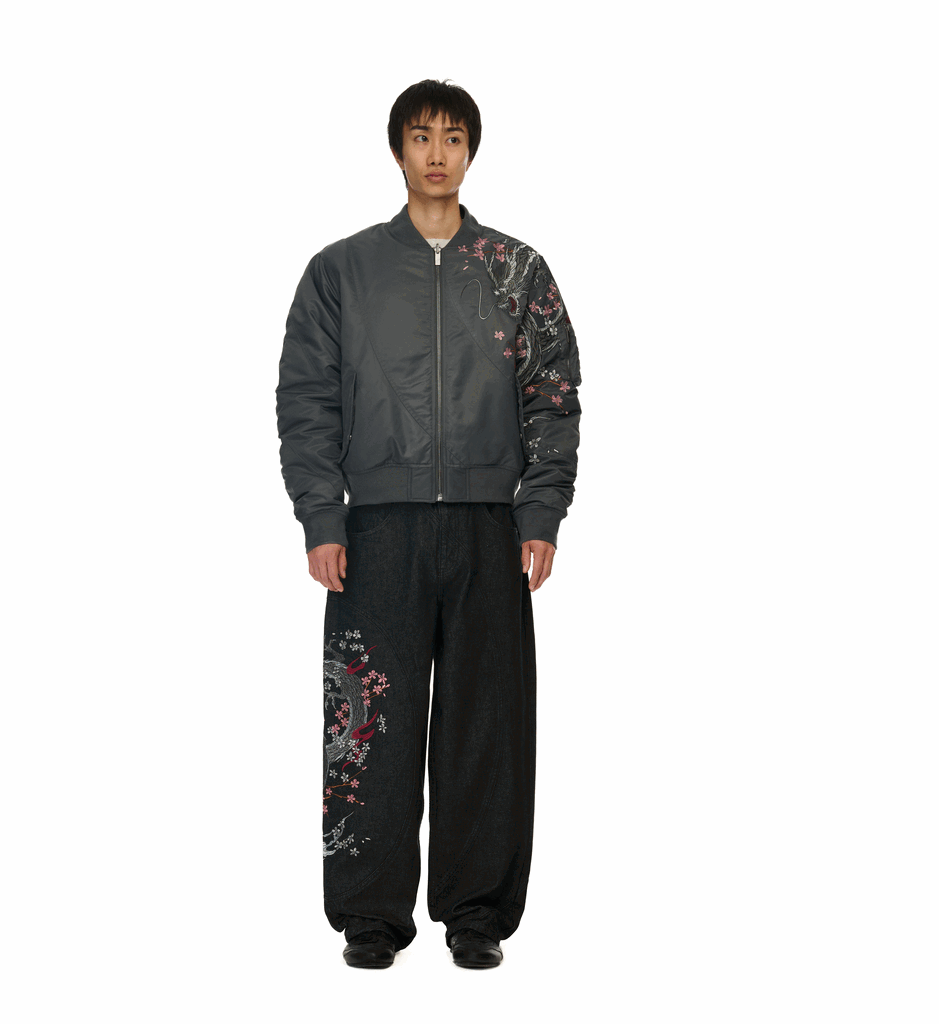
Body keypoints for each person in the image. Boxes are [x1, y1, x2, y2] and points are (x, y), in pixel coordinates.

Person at [275, 78, 583, 969]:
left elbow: (553, 394)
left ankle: (476, 913)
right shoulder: (341, 271)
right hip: (376, 531)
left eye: (453, 137)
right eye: (421, 136)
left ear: (471, 151)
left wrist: (541, 510)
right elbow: (306, 399)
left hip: (491, 528)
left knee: (487, 727)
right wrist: (322, 516)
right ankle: (369, 917)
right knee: (368, 720)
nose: (437, 152)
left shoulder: (516, 269)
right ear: (398, 150)